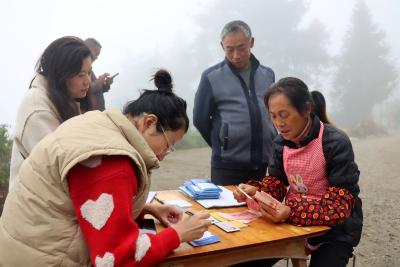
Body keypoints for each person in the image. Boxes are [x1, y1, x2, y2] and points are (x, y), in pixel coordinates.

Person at [0, 69, 211, 266]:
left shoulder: (98, 125)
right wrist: (179, 234)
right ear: (149, 122)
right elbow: (114, 259)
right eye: (168, 145)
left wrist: (149, 208)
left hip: (22, 249)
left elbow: (80, 199)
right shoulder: (113, 159)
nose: (164, 155)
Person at [233, 77, 363, 267]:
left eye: (284, 114)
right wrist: (258, 193)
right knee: (244, 262)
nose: (278, 123)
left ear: (306, 109)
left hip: (335, 231)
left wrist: (289, 212)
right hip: (294, 224)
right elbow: (277, 182)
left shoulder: (334, 142)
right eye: (273, 115)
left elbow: (339, 207)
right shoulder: (280, 143)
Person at [193, 20, 276, 185]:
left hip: (262, 162)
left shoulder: (268, 74)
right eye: (229, 49)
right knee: (226, 210)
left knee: (258, 209)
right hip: (227, 166)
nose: (236, 55)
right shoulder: (211, 76)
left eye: (241, 48)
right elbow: (200, 119)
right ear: (222, 46)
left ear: (251, 42)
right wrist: (222, 143)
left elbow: (273, 112)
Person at [8, 36, 92, 190]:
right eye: (81, 75)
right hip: (35, 209)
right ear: (62, 74)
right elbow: (61, 167)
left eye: (89, 73)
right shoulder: (37, 109)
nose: (88, 81)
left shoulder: (64, 99)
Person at [83, 37, 115, 111]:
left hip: (98, 113)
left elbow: (97, 91)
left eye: (98, 55)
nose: (96, 58)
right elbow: (84, 90)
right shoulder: (77, 68)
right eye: (96, 54)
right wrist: (98, 82)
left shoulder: (90, 70)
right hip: (88, 115)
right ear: (86, 48)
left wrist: (106, 84)